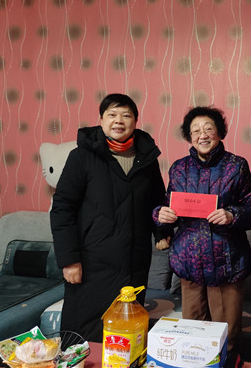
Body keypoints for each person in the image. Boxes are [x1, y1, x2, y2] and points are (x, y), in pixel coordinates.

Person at [50, 93, 171, 342]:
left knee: (128, 330)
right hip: (92, 261)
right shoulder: (82, 157)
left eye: (126, 115)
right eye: (112, 115)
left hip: (135, 261)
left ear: (135, 121)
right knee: (84, 330)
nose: (119, 120)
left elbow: (157, 201)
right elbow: (62, 208)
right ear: (101, 120)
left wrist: (161, 232)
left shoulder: (147, 159)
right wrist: (69, 260)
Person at [154, 106, 251, 365]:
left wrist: (232, 215)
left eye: (208, 129)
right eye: (195, 130)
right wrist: (161, 214)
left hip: (227, 263)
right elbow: (168, 207)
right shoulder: (179, 168)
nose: (202, 135)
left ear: (219, 133)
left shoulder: (236, 166)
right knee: (191, 337)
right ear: (189, 136)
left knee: (227, 337)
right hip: (189, 262)